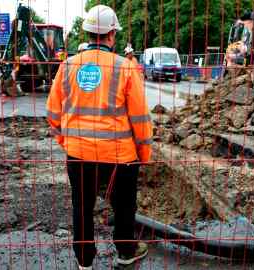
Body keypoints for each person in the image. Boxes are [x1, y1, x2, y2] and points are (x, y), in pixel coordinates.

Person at [46, 4, 152, 269]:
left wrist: (66, 142)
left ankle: (84, 262)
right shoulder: (125, 67)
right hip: (119, 155)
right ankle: (126, 253)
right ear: (112, 34)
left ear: (87, 33)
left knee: (82, 208)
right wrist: (144, 155)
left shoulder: (68, 66)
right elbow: (140, 118)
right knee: (124, 207)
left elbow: (52, 112)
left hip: (79, 154)